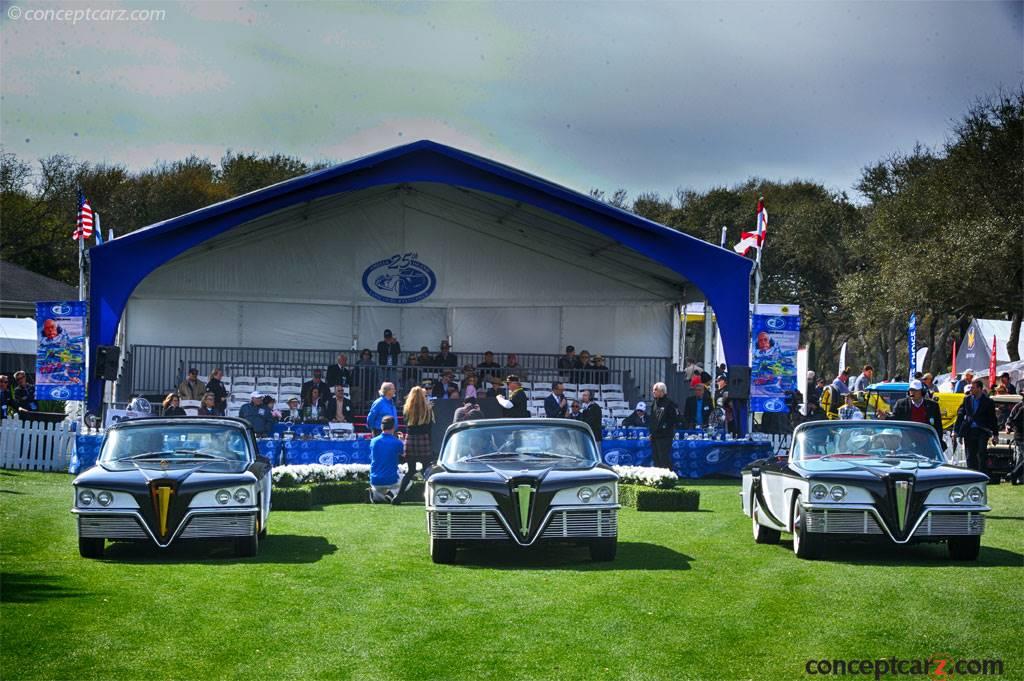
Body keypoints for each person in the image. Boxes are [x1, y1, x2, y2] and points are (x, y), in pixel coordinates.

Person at [394, 386, 435, 504]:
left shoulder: (406, 409)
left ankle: (399, 496)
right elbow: (429, 428)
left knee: (410, 471)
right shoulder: (428, 409)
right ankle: (431, 496)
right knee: (426, 470)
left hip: (411, 440)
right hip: (424, 440)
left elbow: (406, 424)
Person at [955, 379, 998, 475]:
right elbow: (961, 415)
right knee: (970, 455)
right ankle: (971, 475)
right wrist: (956, 431)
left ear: (979, 388)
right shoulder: (967, 399)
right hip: (969, 430)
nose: (971, 390)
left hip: (982, 430)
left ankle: (982, 474)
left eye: (973, 388)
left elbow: (993, 419)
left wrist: (995, 434)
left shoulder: (988, 402)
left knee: (982, 453)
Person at [368, 415, 403, 504]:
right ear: (393, 427)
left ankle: (375, 494)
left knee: (380, 490)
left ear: (381, 426)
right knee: (408, 480)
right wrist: (401, 441)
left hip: (375, 480)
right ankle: (392, 494)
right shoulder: (397, 442)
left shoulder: (373, 441)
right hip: (391, 480)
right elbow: (404, 454)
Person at [648, 382, 678, 469]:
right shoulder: (654, 403)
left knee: (663, 457)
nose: (653, 392)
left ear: (662, 391)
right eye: (653, 390)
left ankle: (668, 476)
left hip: (665, 436)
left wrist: (664, 427)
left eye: (655, 390)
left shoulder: (669, 404)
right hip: (655, 436)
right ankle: (658, 477)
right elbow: (652, 419)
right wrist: (651, 432)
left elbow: (673, 419)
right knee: (656, 458)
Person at [1005, 399, 1024, 485]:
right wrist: (1008, 426)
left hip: (1019, 436)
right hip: (1021, 436)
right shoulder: (1020, 407)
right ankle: (1014, 475)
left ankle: (1015, 476)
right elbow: (1012, 420)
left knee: (1020, 459)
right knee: (1020, 458)